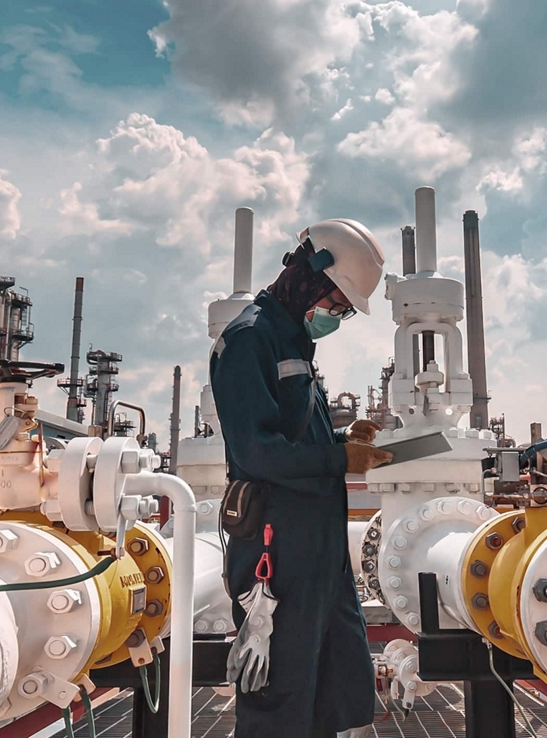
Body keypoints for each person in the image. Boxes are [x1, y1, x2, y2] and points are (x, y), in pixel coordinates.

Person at [211, 219, 393, 738]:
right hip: (277, 551)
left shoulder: (292, 342)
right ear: (311, 277)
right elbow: (259, 453)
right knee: (281, 696)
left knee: (332, 685)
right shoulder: (250, 340)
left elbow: (298, 442)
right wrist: (342, 461)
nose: (336, 317)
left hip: (317, 551)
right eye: (336, 305)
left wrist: (342, 441)